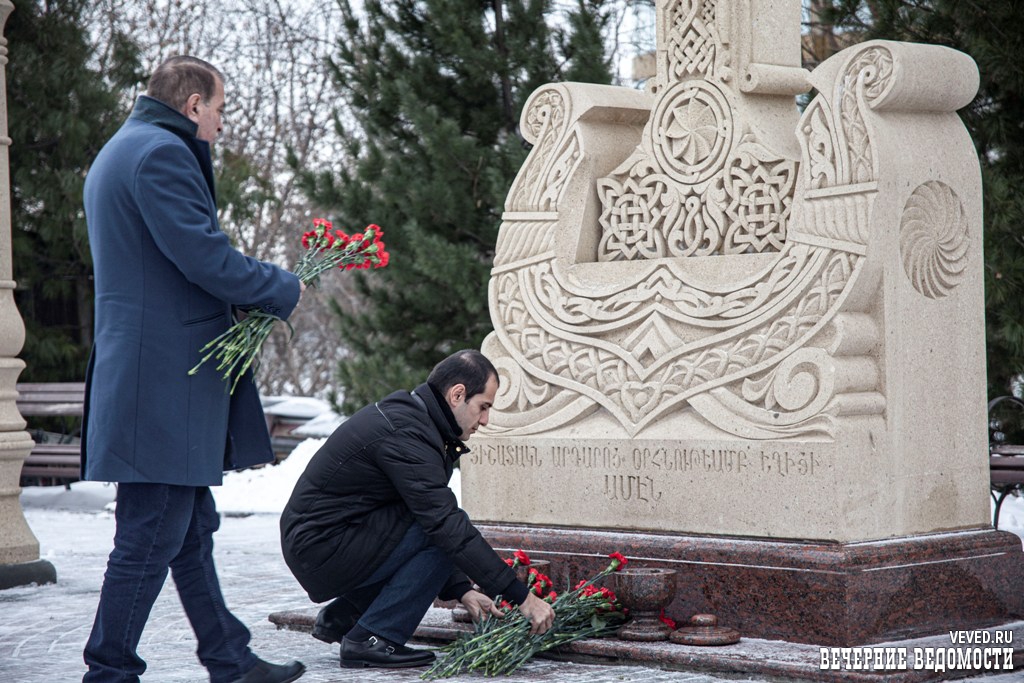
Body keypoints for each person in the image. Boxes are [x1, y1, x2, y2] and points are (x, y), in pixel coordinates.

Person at [80, 56, 305, 683]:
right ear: (193, 104)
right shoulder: (160, 154)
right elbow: (203, 257)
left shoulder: (122, 150)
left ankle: (229, 659)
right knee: (150, 536)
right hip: (164, 382)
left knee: (187, 530)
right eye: (220, 110)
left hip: (149, 376)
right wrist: (281, 286)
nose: (221, 125)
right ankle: (108, 670)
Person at [280, 349, 555, 669]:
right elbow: (443, 528)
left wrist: (461, 590)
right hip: (321, 546)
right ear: (457, 394)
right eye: (483, 407)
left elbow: (419, 519)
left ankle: (346, 615)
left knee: (437, 526)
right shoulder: (409, 432)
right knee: (446, 529)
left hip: (328, 540)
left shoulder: (416, 421)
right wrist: (521, 597)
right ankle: (372, 638)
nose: (485, 420)